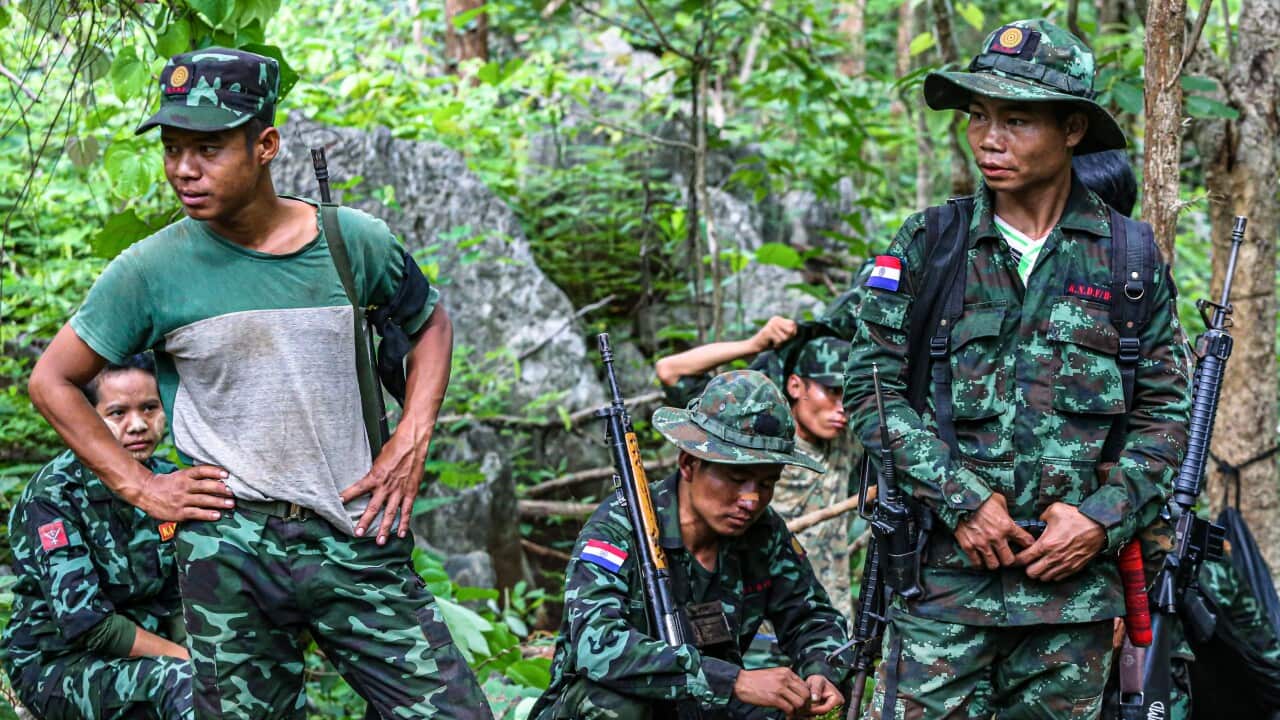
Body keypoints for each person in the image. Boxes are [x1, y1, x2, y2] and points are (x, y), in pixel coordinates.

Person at [25, 47, 491, 719]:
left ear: (265, 144)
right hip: (230, 545)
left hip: (354, 533)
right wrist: (143, 487)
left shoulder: (351, 241)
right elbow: (53, 381)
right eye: (173, 148)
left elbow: (430, 323)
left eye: (208, 148)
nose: (184, 169)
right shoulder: (149, 271)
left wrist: (412, 434)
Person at [845, 19, 1191, 719]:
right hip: (942, 596)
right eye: (977, 117)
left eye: (1016, 120)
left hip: (1073, 607)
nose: (988, 139)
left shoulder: (1128, 259)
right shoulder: (930, 242)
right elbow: (871, 387)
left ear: (1071, 130)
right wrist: (961, 500)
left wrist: (1101, 519)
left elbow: (1167, 417)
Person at [530, 370, 853, 719]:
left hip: (703, 703)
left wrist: (820, 671)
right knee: (614, 708)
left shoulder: (764, 531)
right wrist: (732, 682)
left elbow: (811, 616)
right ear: (689, 463)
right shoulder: (623, 526)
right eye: (737, 478)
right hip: (614, 702)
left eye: (766, 483)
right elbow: (597, 645)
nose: (751, 499)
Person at [3, 354, 193, 719]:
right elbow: (87, 625)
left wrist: (202, 654)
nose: (138, 425)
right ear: (87, 417)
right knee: (186, 682)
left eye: (150, 408)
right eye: (118, 413)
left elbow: (181, 595)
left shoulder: (170, 483)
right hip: (57, 666)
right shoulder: (55, 495)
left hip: (153, 649)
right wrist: (186, 658)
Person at [656, 321, 859, 620]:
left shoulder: (848, 441)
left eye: (849, 396)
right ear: (795, 386)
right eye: (831, 391)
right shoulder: (744, 438)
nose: (841, 407)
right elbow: (670, 370)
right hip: (754, 618)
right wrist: (754, 344)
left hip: (823, 612)